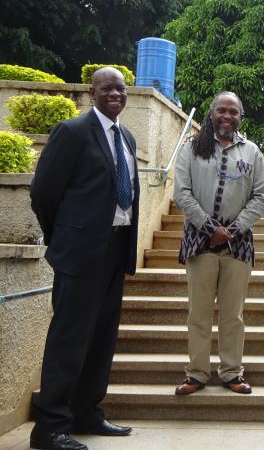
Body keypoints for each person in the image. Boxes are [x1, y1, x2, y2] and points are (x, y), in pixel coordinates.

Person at [29, 67, 138, 450]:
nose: (115, 94)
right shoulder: (72, 132)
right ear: (92, 92)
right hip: (80, 253)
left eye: (120, 89)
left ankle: (86, 412)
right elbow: (43, 192)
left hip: (116, 249)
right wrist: (64, 237)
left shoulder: (127, 137)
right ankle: (49, 427)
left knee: (101, 338)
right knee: (70, 339)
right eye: (106, 88)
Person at [172, 92, 264, 396]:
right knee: (198, 314)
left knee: (233, 315)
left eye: (233, 112)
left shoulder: (251, 151)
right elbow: (181, 192)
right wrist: (210, 228)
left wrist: (233, 229)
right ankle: (196, 374)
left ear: (241, 116)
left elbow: (261, 195)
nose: (227, 116)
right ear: (211, 113)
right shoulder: (192, 148)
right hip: (199, 244)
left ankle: (231, 372)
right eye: (221, 110)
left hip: (237, 246)